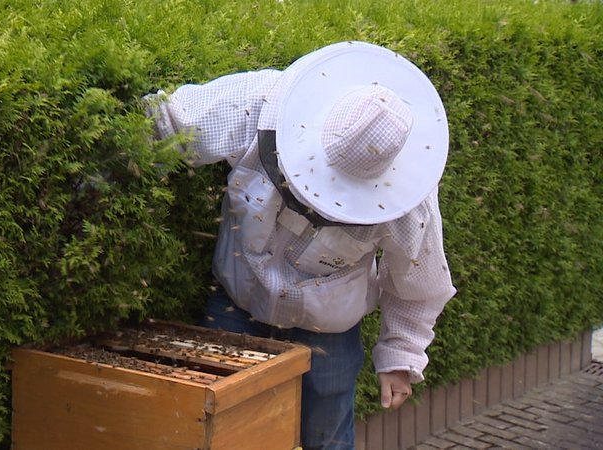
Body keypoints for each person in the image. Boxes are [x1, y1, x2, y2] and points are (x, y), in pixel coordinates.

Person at [145, 41, 457, 450]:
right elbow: (168, 126)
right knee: (226, 437)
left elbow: (418, 280)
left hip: (328, 333)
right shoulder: (258, 103)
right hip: (235, 305)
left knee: (326, 442)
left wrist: (401, 357)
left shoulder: (409, 201)